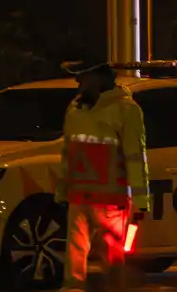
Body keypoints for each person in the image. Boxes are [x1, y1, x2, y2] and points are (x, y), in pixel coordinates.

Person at [55, 62, 150, 291]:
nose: (77, 82)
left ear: (98, 77)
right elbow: (69, 152)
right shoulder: (77, 108)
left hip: (110, 200)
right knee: (76, 257)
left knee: (112, 260)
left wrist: (140, 202)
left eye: (82, 76)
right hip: (82, 197)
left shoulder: (125, 110)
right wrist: (62, 191)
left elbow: (135, 158)